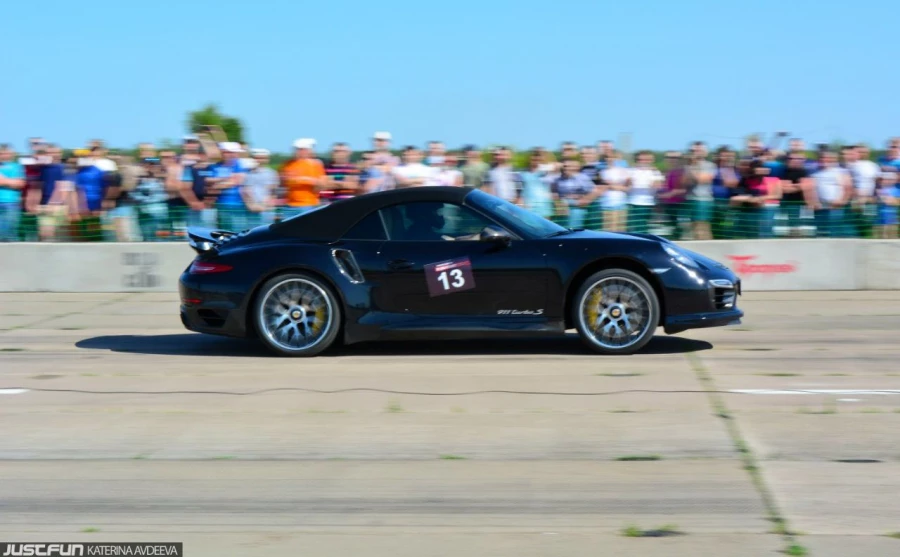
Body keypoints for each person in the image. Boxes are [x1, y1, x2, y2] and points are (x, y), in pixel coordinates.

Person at [729, 159, 782, 238]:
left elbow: (778, 195)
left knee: (765, 228)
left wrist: (762, 198)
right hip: (753, 207)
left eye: (763, 167)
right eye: (758, 168)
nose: (761, 170)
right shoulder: (747, 180)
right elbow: (741, 194)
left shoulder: (774, 179)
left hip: (769, 207)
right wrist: (751, 199)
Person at [279, 138, 326, 219]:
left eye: (301, 149)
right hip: (289, 204)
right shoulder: (288, 164)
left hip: (307, 205)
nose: (298, 151)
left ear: (308, 150)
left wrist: (303, 180)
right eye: (297, 149)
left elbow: (322, 184)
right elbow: (282, 182)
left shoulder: (315, 164)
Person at [810, 151, 853, 237]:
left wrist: (842, 201)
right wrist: (813, 202)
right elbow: (811, 189)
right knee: (821, 233)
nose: (824, 160)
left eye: (827, 158)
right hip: (820, 208)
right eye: (821, 158)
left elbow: (848, 188)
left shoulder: (841, 172)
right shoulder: (814, 174)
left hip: (835, 208)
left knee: (834, 232)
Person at [209, 142, 249, 231]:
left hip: (238, 205)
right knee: (223, 231)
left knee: (238, 231)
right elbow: (209, 182)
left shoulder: (239, 165)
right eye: (229, 152)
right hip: (221, 204)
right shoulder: (215, 166)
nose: (232, 155)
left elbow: (236, 181)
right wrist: (227, 179)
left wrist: (218, 184)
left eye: (234, 153)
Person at [682, 141, 716, 240]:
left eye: (698, 150)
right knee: (690, 229)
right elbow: (684, 183)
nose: (695, 152)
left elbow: (701, 180)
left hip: (702, 200)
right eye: (693, 150)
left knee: (701, 227)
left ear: (705, 152)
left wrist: (692, 167)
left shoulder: (710, 165)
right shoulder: (688, 166)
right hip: (690, 199)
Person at [625, 150, 664, 234]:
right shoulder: (631, 171)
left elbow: (658, 185)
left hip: (647, 204)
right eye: (641, 159)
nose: (644, 162)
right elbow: (628, 184)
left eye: (647, 160)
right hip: (632, 203)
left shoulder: (655, 172)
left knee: (643, 227)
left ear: (651, 160)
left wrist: (644, 184)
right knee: (631, 227)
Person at [551, 159, 598, 229]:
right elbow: (555, 193)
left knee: (573, 231)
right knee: (562, 230)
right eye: (564, 166)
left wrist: (581, 200)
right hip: (562, 209)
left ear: (575, 168)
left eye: (568, 166)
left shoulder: (582, 178)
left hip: (576, 209)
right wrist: (558, 203)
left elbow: (594, 192)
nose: (565, 168)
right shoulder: (558, 179)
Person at [780, 151, 815, 236]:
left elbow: (810, 185)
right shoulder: (784, 171)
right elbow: (785, 189)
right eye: (792, 158)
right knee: (793, 227)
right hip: (790, 203)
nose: (795, 160)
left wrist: (794, 186)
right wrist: (801, 185)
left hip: (805, 203)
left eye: (799, 158)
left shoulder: (806, 171)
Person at [243, 148, 279, 227]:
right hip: (252, 209)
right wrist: (251, 205)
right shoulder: (247, 173)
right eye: (257, 158)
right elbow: (245, 191)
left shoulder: (272, 173)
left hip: (267, 209)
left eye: (262, 158)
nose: (259, 160)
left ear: (267, 159)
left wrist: (266, 206)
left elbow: (273, 191)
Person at [517, 148, 554, 218]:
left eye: (538, 156)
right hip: (528, 208)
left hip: (544, 208)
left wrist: (542, 154)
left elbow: (556, 165)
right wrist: (520, 205)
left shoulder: (546, 171)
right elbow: (520, 192)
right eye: (533, 156)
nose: (536, 158)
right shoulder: (522, 174)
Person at [0, 144, 25, 241]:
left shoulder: (17, 167)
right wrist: (11, 182)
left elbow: (20, 184)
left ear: (12, 154)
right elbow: (16, 183)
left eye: (7, 153)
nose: (4, 155)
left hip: (11, 203)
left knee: (9, 233)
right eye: (2, 153)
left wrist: (3, 181)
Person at [599, 151, 629, 231]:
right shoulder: (602, 172)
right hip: (607, 203)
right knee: (608, 228)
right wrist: (616, 186)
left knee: (621, 228)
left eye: (612, 157)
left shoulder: (623, 171)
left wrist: (612, 186)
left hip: (621, 202)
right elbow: (603, 186)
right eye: (607, 157)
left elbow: (627, 187)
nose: (609, 159)